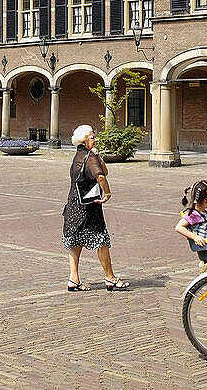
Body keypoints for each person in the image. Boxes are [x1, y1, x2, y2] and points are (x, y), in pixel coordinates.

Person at [62, 124, 129, 292]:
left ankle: (73, 279)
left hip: (74, 204)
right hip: (89, 206)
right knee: (101, 241)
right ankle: (110, 278)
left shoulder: (80, 155)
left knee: (75, 241)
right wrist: (107, 192)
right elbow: (101, 176)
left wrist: (99, 157)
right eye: (92, 137)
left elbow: (103, 170)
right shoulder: (88, 157)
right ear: (84, 140)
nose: (95, 139)